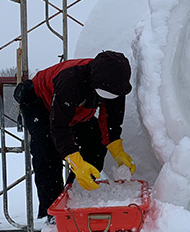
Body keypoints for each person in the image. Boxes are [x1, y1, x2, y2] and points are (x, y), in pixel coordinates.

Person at [13, 50, 136, 220]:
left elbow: (110, 122)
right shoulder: (70, 79)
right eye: (103, 93)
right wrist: (75, 161)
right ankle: (53, 213)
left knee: (95, 144)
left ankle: (77, 193)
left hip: (75, 111)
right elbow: (59, 126)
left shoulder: (116, 85)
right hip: (40, 102)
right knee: (47, 151)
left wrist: (117, 150)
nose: (108, 97)